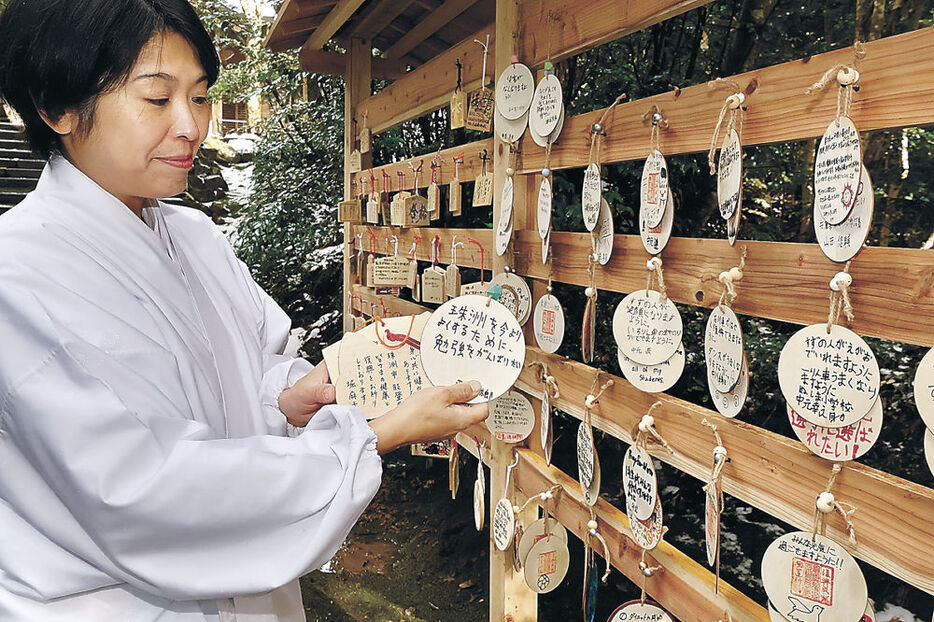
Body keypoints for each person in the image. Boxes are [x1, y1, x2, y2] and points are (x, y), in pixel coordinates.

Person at [0, 1, 489, 620]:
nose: (191, 125)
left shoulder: (194, 236)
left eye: (200, 97)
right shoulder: (18, 278)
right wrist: (372, 436)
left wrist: (289, 400)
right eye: (157, 99)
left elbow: (258, 361)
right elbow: (142, 496)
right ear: (57, 107)